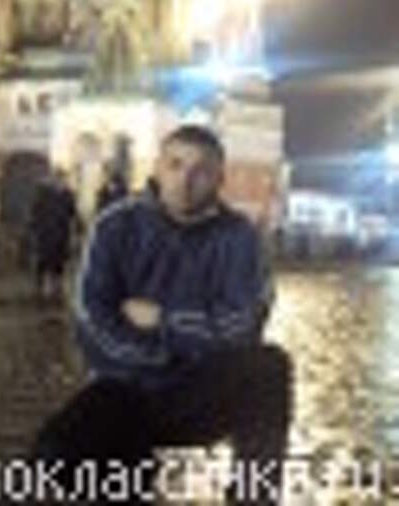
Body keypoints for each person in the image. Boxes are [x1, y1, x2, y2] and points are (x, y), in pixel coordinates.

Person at [32, 125, 293, 505]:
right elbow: (93, 321)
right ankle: (129, 484)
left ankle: (253, 497)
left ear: (219, 179)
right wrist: (176, 350)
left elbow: (243, 326)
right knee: (54, 455)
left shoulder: (240, 237)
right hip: (125, 387)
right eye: (176, 165)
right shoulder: (115, 226)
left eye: (201, 171)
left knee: (268, 368)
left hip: (201, 391)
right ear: (157, 168)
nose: (186, 180)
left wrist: (164, 320)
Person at [28, 168, 79, 303]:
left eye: (62, 179)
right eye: (58, 179)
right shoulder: (44, 195)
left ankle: (57, 290)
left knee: (58, 262)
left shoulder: (68, 195)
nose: (60, 182)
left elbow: (73, 213)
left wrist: (76, 228)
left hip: (62, 233)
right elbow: (35, 212)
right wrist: (35, 229)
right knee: (43, 262)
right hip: (46, 233)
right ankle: (40, 290)